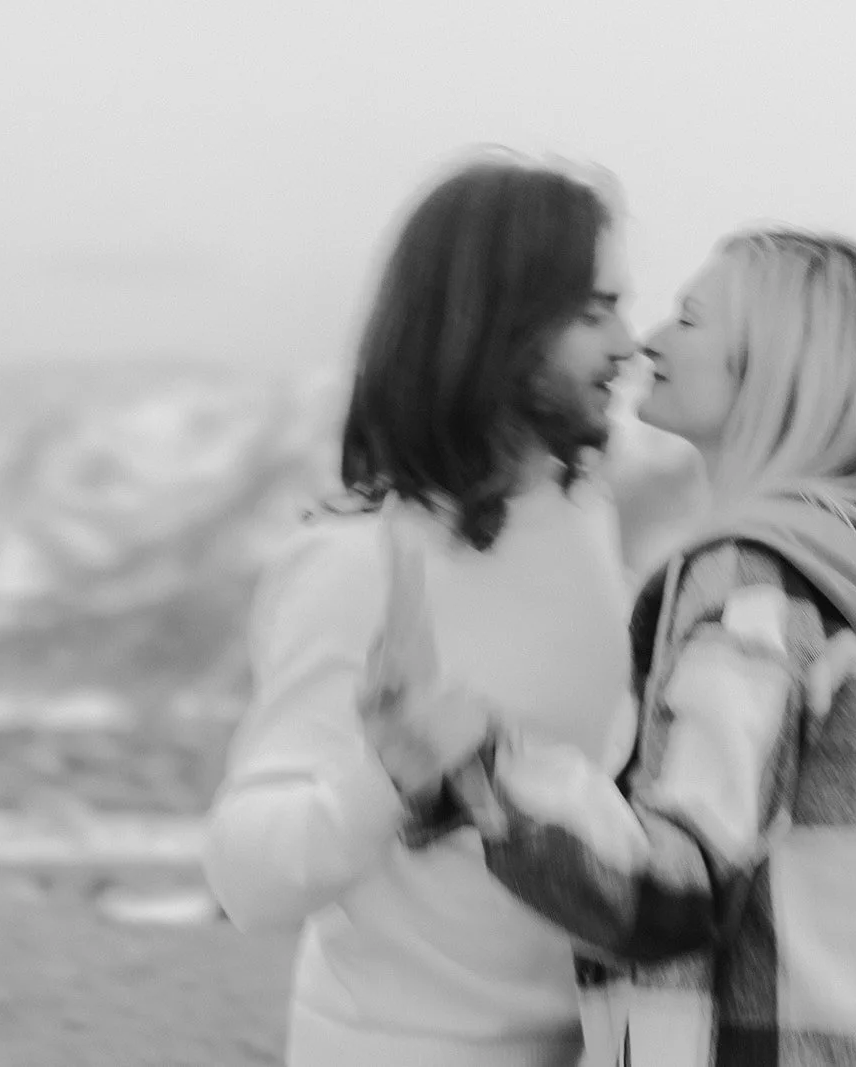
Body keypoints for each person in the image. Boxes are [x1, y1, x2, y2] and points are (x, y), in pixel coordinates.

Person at [380, 229, 856, 1066]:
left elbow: (676, 885)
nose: (650, 341)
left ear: (773, 365)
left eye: (690, 317)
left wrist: (480, 759)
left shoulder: (751, 580)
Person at [201, 151, 640, 1067]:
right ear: (500, 325)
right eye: (593, 312)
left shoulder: (589, 522)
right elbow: (246, 875)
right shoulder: (363, 563)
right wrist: (388, 781)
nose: (626, 344)